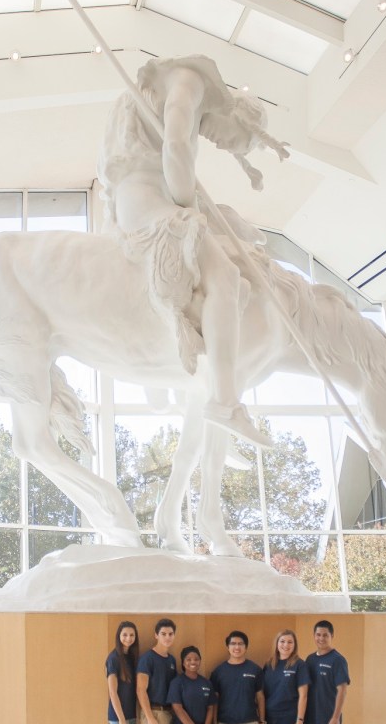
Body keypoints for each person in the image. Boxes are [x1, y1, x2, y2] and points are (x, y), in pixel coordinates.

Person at [98, 54, 289, 449]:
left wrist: (216, 218)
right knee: (226, 277)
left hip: (146, 194)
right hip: (146, 196)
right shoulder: (190, 83)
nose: (219, 142)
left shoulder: (182, 87)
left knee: (215, 265)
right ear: (236, 116)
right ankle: (224, 400)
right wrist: (191, 215)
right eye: (230, 140)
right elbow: (176, 151)